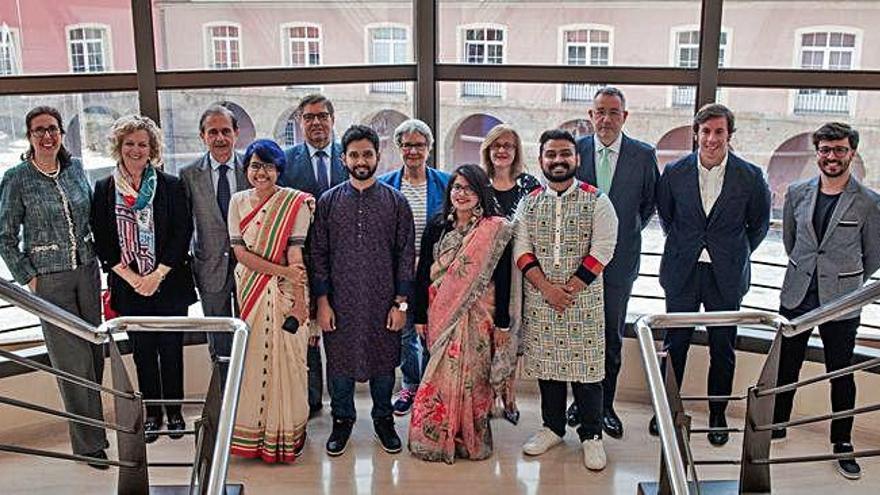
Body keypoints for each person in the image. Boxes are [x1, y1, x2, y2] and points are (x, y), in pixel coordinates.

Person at [655, 104, 771, 446]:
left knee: (723, 347)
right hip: (682, 271)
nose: (711, 138)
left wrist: (731, 252)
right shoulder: (674, 172)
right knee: (675, 344)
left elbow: (759, 226)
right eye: (705, 131)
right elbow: (667, 218)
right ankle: (666, 409)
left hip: (727, 274)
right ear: (696, 133)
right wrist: (690, 246)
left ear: (729, 135)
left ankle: (718, 413)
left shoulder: (750, 176)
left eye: (719, 132)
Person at [0, 106, 108, 468]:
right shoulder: (17, 178)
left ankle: (96, 431)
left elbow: (91, 217)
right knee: (72, 363)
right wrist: (28, 275)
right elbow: (4, 234)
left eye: (53, 129)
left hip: (87, 273)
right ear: (30, 137)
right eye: (39, 130)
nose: (47, 136)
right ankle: (89, 445)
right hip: (50, 280)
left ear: (61, 133)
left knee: (94, 356)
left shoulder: (76, 169)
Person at [773, 122, 880, 480]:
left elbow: (873, 255)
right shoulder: (798, 192)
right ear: (816, 152)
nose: (831, 157)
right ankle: (776, 425)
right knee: (787, 366)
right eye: (825, 150)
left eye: (839, 150)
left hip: (842, 301)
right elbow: (793, 242)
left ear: (851, 153)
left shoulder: (868, 202)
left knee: (841, 373)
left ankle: (842, 443)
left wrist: (842, 282)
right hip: (797, 294)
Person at [514, 129, 618, 471]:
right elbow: (521, 249)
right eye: (551, 155)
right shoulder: (529, 202)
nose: (558, 160)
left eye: (564, 154)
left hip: (583, 302)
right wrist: (547, 289)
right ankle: (553, 428)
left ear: (577, 158)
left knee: (588, 373)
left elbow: (604, 248)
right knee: (548, 370)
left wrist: (569, 289)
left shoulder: (597, 199)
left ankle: (591, 436)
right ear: (541, 160)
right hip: (542, 300)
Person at [311, 124, 415, 457]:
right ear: (343, 158)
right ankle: (342, 421)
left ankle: (384, 420)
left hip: (383, 302)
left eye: (367, 153)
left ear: (377, 156)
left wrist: (400, 307)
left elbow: (405, 256)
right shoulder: (328, 202)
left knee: (384, 364)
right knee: (339, 364)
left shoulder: (396, 202)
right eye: (354, 154)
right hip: (339, 303)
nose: (361, 160)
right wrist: (323, 303)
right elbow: (319, 254)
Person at [91, 114, 196, 443]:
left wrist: (157, 274)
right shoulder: (105, 188)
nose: (136, 150)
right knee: (143, 352)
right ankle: (152, 414)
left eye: (142, 144)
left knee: (171, 350)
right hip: (129, 284)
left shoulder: (171, 185)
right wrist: (134, 278)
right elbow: (102, 238)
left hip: (169, 282)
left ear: (152, 149)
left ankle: (174, 412)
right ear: (118, 148)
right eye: (130, 144)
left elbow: (182, 232)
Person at [568, 87, 659, 439]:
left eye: (613, 112)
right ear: (591, 116)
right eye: (599, 112)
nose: (606, 119)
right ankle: (580, 403)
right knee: (577, 334)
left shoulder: (642, 154)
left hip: (620, 262)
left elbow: (648, 206)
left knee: (610, 336)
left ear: (625, 117)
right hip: (576, 262)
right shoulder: (576, 151)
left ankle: (605, 406)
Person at [408, 164, 514, 463]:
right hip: (439, 314)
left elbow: (503, 278)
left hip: (480, 317)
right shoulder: (437, 225)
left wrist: (503, 323)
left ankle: (470, 437)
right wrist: (418, 316)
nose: (462, 194)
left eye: (468, 188)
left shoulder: (495, 230)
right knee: (436, 375)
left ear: (480, 192)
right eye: (457, 187)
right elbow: (422, 276)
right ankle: (435, 436)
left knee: (474, 379)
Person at [227, 139, 314, 463]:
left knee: (288, 360)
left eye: (268, 166)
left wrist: (299, 300)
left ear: (279, 169)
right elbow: (240, 254)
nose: (261, 172)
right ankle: (253, 436)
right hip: (250, 286)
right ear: (247, 168)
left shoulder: (296, 203)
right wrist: (284, 272)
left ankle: (285, 435)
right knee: (251, 361)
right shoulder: (237, 202)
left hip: (284, 291)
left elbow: (296, 253)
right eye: (255, 165)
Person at [277, 93, 348, 418]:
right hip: (300, 261)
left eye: (322, 116)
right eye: (309, 117)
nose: (316, 122)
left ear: (332, 120)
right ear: (300, 122)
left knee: (338, 327)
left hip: (343, 262)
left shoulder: (348, 159)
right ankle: (312, 400)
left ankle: (341, 398)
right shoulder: (286, 162)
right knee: (307, 333)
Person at [378, 118, 451, 416]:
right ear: (398, 148)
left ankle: (435, 387)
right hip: (402, 277)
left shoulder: (446, 183)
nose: (412, 151)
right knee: (407, 333)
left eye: (419, 145)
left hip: (438, 274)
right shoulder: (385, 186)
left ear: (429, 148)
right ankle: (411, 385)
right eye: (406, 145)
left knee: (436, 331)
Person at [179, 104, 248, 386]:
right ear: (202, 136)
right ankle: (223, 398)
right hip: (210, 268)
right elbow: (185, 225)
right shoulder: (188, 174)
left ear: (236, 133)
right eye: (213, 132)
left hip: (250, 267)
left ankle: (249, 398)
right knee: (218, 341)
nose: (220, 138)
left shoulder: (253, 167)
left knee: (250, 334)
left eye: (225, 131)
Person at [478, 123, 540, 423]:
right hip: (485, 274)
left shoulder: (530, 185)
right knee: (488, 335)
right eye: (496, 145)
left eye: (508, 146)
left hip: (520, 272)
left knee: (512, 333)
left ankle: (510, 395)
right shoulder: (479, 184)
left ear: (516, 152)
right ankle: (489, 395)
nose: (502, 151)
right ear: (488, 150)